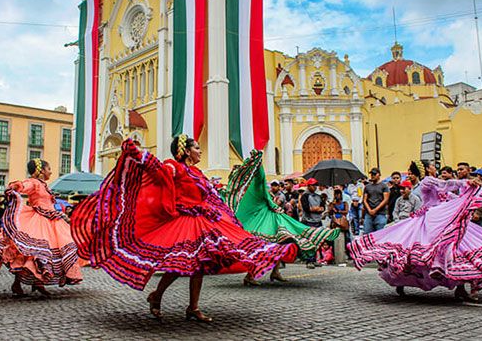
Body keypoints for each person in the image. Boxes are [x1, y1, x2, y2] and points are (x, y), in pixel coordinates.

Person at [70, 137, 297, 322]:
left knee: (198, 264)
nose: (200, 151)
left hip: (203, 220)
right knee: (179, 265)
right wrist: (139, 155)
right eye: (197, 147)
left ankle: (191, 307)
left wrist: (228, 218)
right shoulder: (173, 166)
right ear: (186, 151)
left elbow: (212, 197)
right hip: (183, 222)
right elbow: (157, 172)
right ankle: (157, 295)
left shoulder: (198, 173)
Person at [349, 168, 482, 301]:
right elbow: (444, 185)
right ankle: (401, 282)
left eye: (411, 174)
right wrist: (465, 183)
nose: (409, 178)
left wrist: (464, 199)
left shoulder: (437, 187)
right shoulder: (428, 182)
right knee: (411, 254)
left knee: (457, 253)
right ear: (427, 169)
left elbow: (449, 194)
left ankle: (460, 288)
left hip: (444, 222)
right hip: (428, 223)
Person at [0, 159, 82, 297]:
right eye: (49, 168)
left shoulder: (43, 185)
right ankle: (22, 283)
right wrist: (15, 187)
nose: (50, 171)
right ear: (41, 170)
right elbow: (23, 185)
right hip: (38, 220)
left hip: (50, 220)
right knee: (29, 251)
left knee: (38, 252)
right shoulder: (33, 182)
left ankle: (36, 283)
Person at [225, 151, 339, 284]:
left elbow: (263, 195)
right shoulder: (257, 178)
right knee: (266, 244)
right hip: (264, 216)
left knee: (279, 243)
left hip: (266, 214)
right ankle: (251, 275)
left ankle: (275, 271)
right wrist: (274, 205)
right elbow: (264, 195)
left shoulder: (252, 179)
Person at [362, 168, 390, 234]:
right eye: (371, 174)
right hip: (369, 214)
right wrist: (369, 210)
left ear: (379, 174)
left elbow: (385, 200)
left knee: (380, 234)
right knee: (367, 234)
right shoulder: (367, 187)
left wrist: (375, 210)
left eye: (374, 174)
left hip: (381, 213)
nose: (372, 176)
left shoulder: (384, 186)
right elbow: (365, 200)